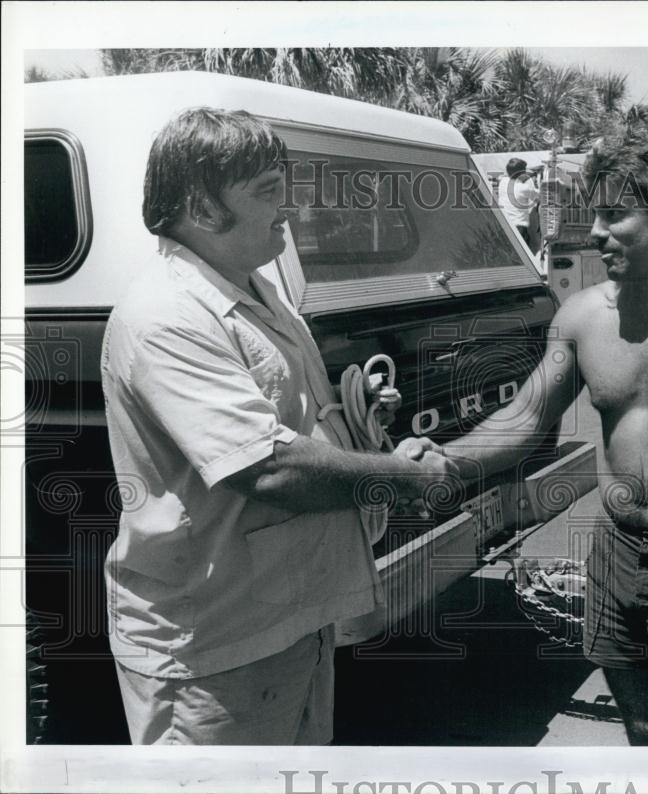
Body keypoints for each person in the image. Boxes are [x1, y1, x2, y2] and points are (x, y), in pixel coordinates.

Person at [401, 128, 648, 745]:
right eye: (595, 213)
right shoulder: (583, 315)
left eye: (614, 215)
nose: (593, 231)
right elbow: (525, 419)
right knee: (644, 732)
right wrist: (441, 463)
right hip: (616, 557)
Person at [101, 108, 456, 745]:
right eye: (268, 192)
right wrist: (402, 477)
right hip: (214, 643)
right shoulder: (166, 313)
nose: (287, 210)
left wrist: (353, 411)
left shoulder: (256, 288)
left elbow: (281, 412)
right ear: (203, 209)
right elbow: (267, 467)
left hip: (287, 613)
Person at [497, 157, 541, 249]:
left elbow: (502, 177)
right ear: (521, 173)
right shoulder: (524, 188)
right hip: (519, 227)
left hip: (504, 225)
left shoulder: (502, 183)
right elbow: (541, 196)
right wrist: (536, 180)